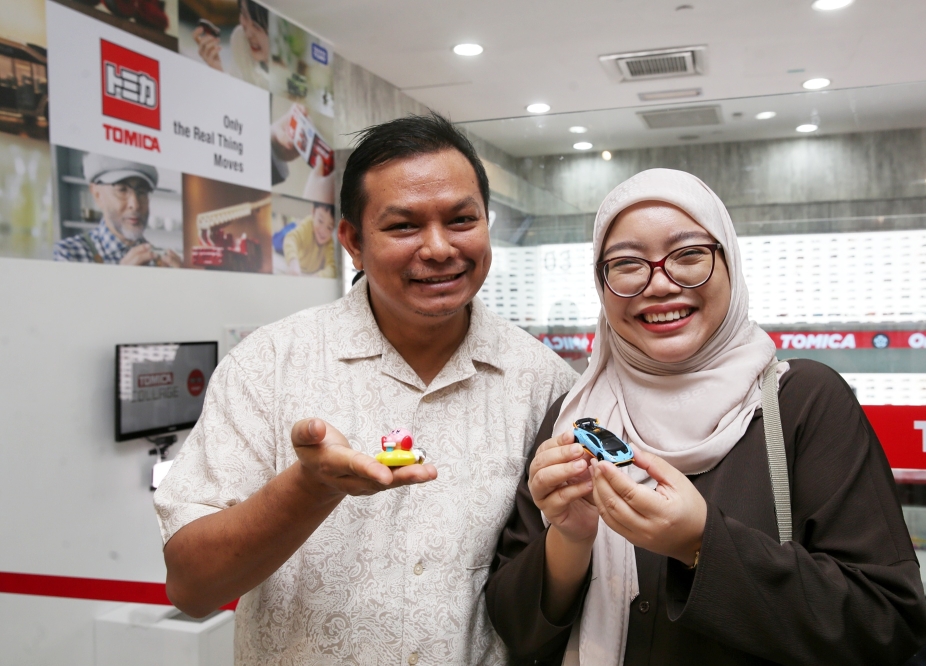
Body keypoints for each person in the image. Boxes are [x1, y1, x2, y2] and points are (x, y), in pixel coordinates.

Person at [154, 113, 578, 665]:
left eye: (461, 219)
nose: (439, 248)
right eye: (403, 226)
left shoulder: (544, 383)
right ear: (352, 241)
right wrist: (309, 489)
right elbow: (192, 589)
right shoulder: (269, 364)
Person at [486, 169, 926, 665]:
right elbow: (515, 631)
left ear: (729, 263)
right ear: (601, 284)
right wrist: (569, 538)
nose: (659, 284)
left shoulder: (803, 403)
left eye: (689, 255)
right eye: (627, 264)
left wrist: (701, 544)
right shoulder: (573, 418)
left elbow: (887, 622)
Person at [53, 154, 181, 267]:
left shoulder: (160, 262)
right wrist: (120, 282)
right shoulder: (69, 254)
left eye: (142, 191)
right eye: (122, 190)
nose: (135, 205)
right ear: (97, 195)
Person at [192, 0, 269, 89]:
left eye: (257, 26)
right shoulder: (240, 38)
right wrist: (217, 71)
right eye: (244, 14)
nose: (247, 34)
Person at [282, 202, 336, 277]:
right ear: (313, 212)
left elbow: (332, 268)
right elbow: (291, 238)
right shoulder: (308, 225)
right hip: (296, 262)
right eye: (320, 221)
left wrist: (319, 276)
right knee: (280, 239)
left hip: (311, 273)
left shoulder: (330, 242)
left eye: (329, 227)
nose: (323, 231)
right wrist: (293, 261)